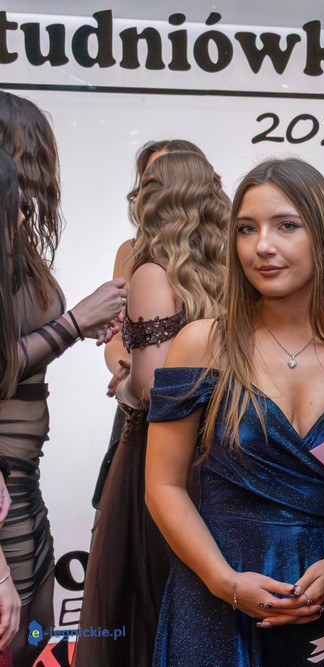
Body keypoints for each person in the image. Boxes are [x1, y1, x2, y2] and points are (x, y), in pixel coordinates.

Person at [144, 158, 324, 666]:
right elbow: (162, 486)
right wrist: (223, 581)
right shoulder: (202, 343)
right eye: (246, 229)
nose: (262, 246)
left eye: (286, 226)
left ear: (323, 235)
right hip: (217, 593)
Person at [75, 151, 230, 666]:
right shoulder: (232, 270)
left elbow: (150, 386)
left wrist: (124, 384)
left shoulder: (152, 274)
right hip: (226, 451)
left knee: (148, 600)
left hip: (163, 452)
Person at [0, 91, 126, 666]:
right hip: (5, 472)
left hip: (22, 475)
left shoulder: (15, 240)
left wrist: (84, 325)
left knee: (34, 632)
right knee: (20, 636)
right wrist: (73, 323)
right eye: (37, 154)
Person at [96, 139, 206, 509]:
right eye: (151, 178)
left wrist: (143, 379)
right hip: (139, 403)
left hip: (181, 410)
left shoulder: (221, 255)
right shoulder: (131, 254)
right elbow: (116, 334)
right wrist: (128, 368)